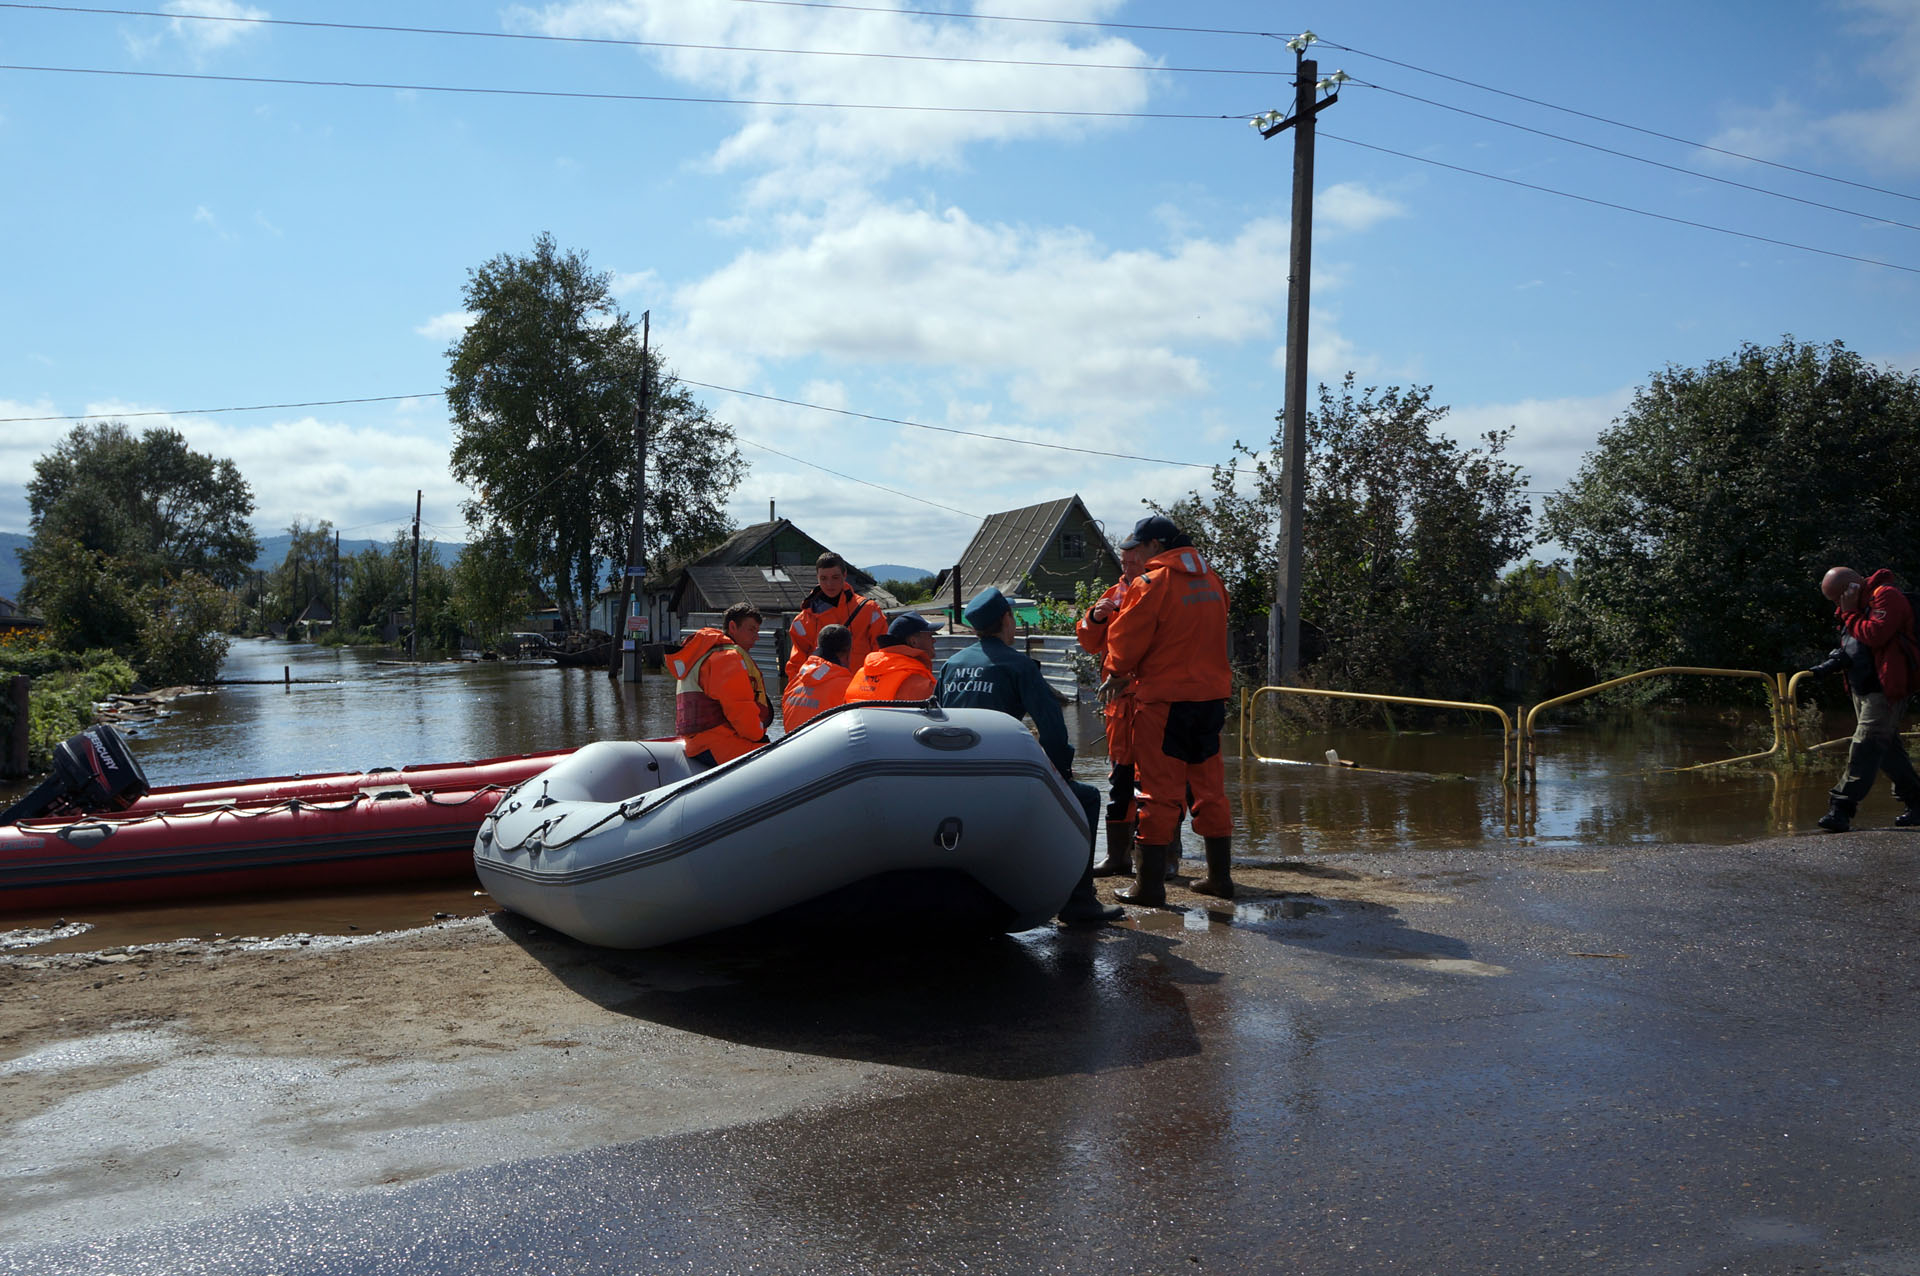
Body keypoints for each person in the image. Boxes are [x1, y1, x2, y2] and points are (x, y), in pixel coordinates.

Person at [938, 586, 1123, 926]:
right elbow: (1053, 731)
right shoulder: (1020, 666)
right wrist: (1061, 772)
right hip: (998, 779)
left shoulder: (951, 665)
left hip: (951, 779)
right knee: (1087, 797)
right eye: (1012, 616)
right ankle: (1079, 900)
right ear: (1006, 619)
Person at [1103, 514, 1235, 905]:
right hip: (1210, 700)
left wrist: (1116, 671)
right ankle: (1220, 880)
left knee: (1157, 792)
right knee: (1209, 787)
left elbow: (1125, 639)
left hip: (1164, 702)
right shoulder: (1213, 581)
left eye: (1138, 548)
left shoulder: (1151, 584)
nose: (1136, 556)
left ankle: (1148, 887)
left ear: (1156, 547)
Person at [1810, 566, 1920, 832]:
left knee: (1867, 744)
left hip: (1886, 688)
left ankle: (1841, 809)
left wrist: (1848, 611)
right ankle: (1917, 802)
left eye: (1838, 597)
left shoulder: (1886, 596)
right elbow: (1855, 643)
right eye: (1834, 601)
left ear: (1852, 587)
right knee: (1886, 749)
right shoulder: (1853, 606)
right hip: (1863, 687)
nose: (1837, 604)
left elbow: (1874, 634)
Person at [1078, 541, 1149, 877]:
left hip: (1152, 699)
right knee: (1120, 778)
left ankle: (1162, 855)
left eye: (1131, 562)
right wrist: (1094, 617)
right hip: (1119, 705)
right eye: (1122, 561)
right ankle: (1119, 855)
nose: (1125, 568)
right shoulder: (1114, 592)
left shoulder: (1157, 590)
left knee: (1157, 782)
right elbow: (1089, 642)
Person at [666, 601, 774, 770]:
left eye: (758, 631)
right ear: (733, 626)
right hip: (719, 744)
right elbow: (739, 708)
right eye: (751, 629)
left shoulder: (701, 654)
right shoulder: (725, 658)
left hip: (698, 745)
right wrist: (758, 734)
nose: (757, 636)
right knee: (780, 763)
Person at [785, 552, 890, 685]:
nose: (829, 584)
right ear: (817, 577)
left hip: (859, 691)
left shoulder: (869, 610)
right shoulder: (802, 621)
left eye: (835, 577)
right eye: (823, 578)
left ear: (845, 575)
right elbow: (796, 664)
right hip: (822, 694)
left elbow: (881, 654)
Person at [844, 612, 940, 702]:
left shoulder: (861, 673)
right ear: (913, 641)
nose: (934, 640)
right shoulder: (919, 683)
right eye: (930, 636)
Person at [782, 623, 854, 733]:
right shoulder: (847, 687)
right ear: (847, 652)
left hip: (792, 747)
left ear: (818, 647)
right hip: (826, 748)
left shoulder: (795, 681)